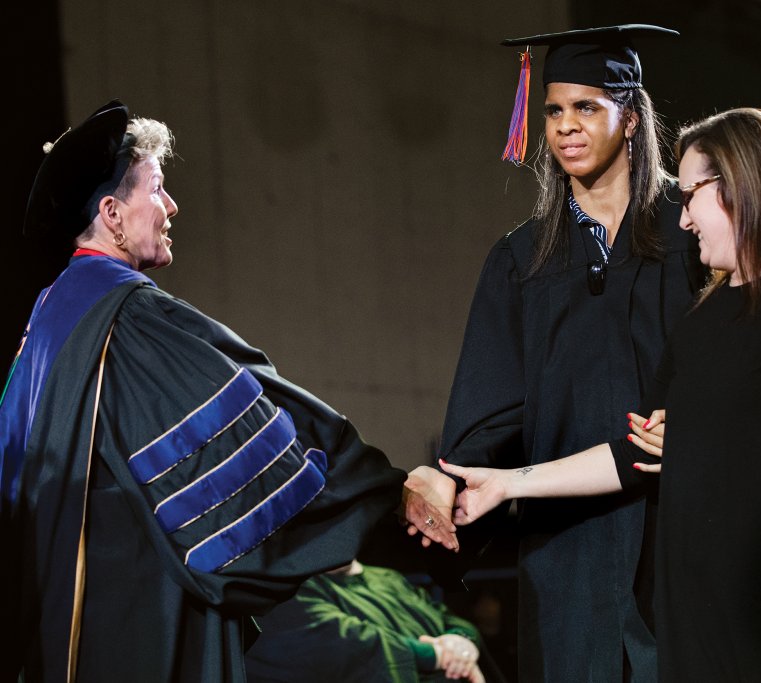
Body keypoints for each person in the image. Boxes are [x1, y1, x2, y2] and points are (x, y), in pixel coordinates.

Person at [438, 108, 761, 681]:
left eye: (693, 194)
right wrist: (508, 482)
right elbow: (635, 451)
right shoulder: (702, 322)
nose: (685, 218)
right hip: (717, 594)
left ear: (742, 190)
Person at [0, 101, 456, 683]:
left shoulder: (49, 320)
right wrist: (386, 486)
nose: (171, 207)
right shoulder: (129, 316)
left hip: (63, 609)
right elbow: (254, 409)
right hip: (136, 609)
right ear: (113, 213)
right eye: (158, 190)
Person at [403, 24, 705, 682]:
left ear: (630, 118)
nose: (566, 126)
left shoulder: (697, 230)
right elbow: (489, 411)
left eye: (587, 107)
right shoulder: (523, 259)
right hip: (571, 553)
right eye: (554, 110)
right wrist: (447, 481)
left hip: (684, 531)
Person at [244, 559, 485, 683]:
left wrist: (461, 641)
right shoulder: (294, 590)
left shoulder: (387, 578)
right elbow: (348, 644)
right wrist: (437, 655)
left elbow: (447, 619)